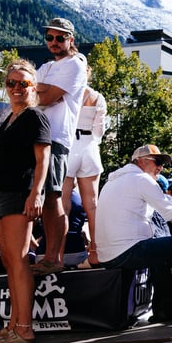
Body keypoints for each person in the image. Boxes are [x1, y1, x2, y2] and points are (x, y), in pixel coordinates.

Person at [0, 60, 51, 343]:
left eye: (23, 83)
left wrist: (36, 193)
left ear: (33, 87)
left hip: (21, 193)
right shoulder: (9, 119)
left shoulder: (35, 117)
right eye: (11, 83)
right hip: (4, 195)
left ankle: (24, 329)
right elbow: (0, 164)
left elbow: (43, 160)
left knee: (18, 261)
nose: (17, 88)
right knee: (9, 261)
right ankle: (12, 325)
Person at [96, 145, 172, 322]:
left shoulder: (111, 181)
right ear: (140, 161)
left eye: (162, 164)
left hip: (107, 255)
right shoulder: (142, 179)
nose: (161, 168)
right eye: (157, 162)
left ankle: (165, 311)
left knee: (162, 251)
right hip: (128, 250)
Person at [34, 17, 87, 275]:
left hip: (56, 138)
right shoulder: (46, 66)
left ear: (71, 39)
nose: (54, 42)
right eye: (50, 37)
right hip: (37, 136)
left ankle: (54, 258)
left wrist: (40, 90)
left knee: (53, 198)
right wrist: (40, 90)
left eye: (60, 37)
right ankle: (48, 256)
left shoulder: (76, 64)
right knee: (42, 199)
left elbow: (45, 97)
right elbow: (32, 94)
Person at [62, 67, 106, 265]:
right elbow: (99, 131)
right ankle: (95, 251)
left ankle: (58, 253)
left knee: (63, 204)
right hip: (89, 147)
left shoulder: (65, 94)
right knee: (93, 204)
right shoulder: (97, 97)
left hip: (69, 145)